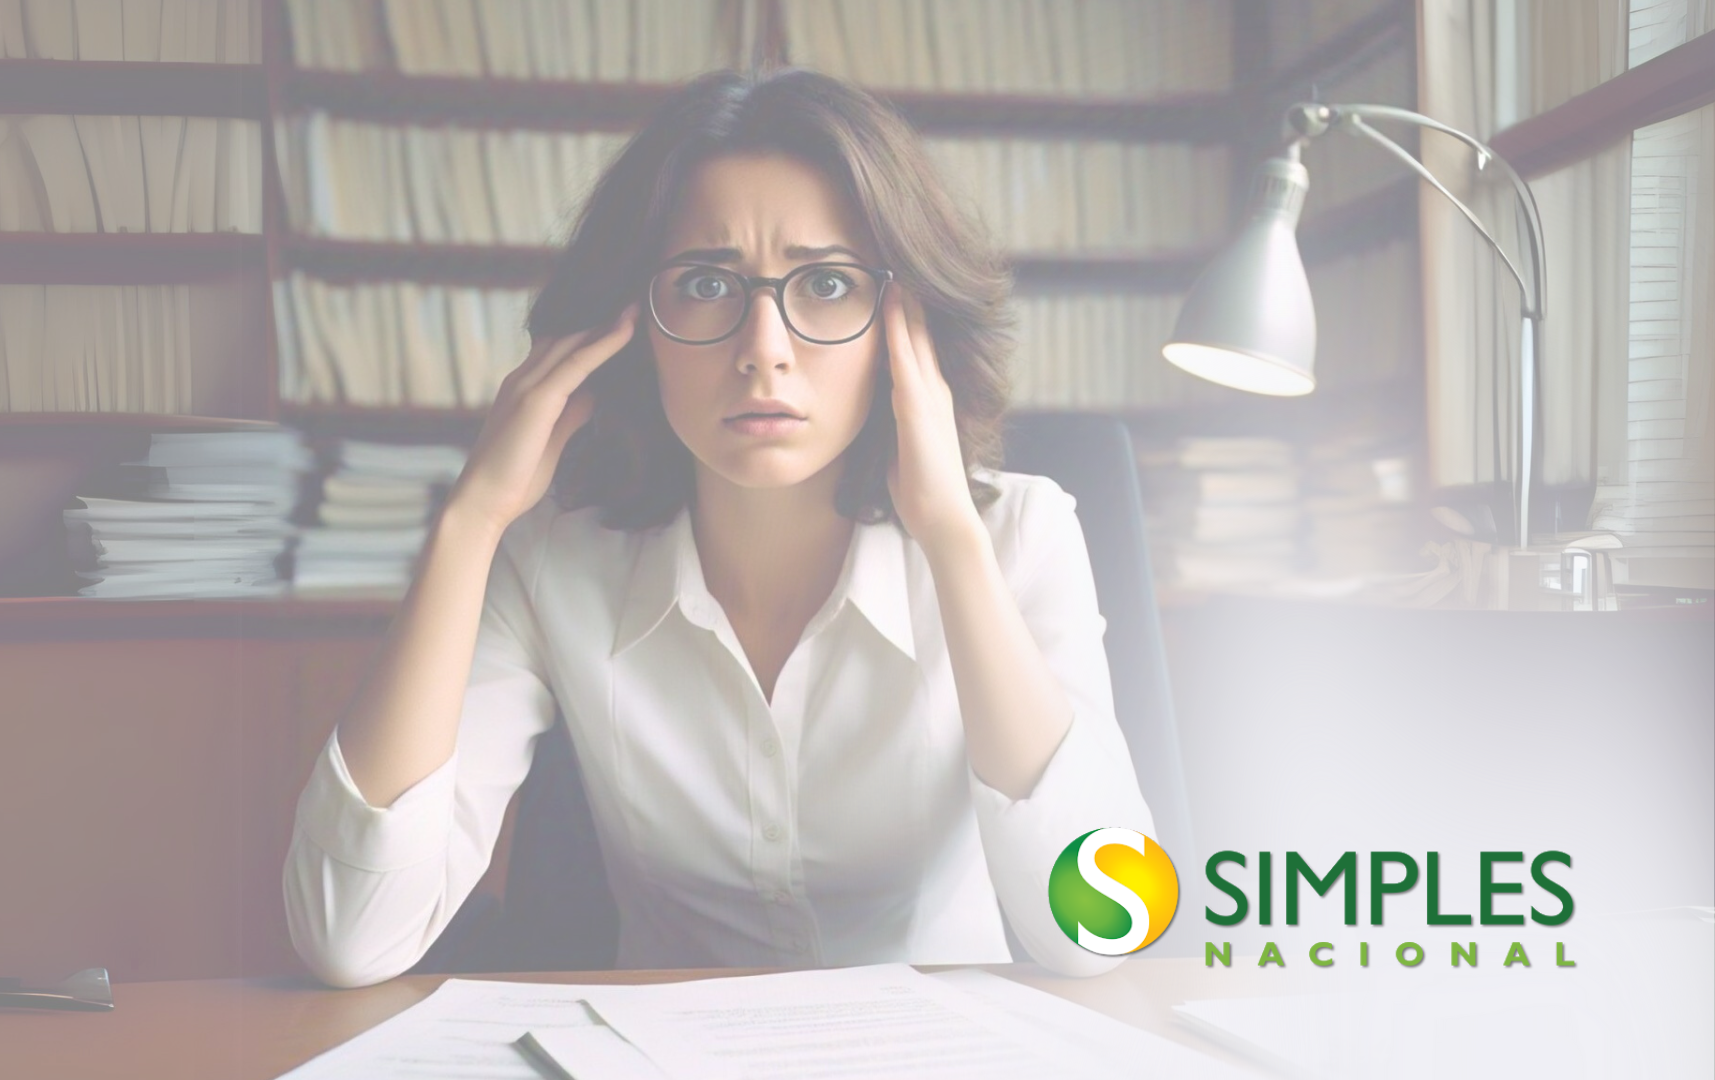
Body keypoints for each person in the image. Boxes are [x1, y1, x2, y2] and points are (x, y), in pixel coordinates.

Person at [283, 68, 1155, 988]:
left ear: (906, 328)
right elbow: (351, 938)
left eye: (825, 283)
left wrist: (949, 537)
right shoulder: (553, 560)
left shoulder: (1023, 536)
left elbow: (1106, 931)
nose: (764, 348)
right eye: (705, 283)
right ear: (633, 323)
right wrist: (469, 523)